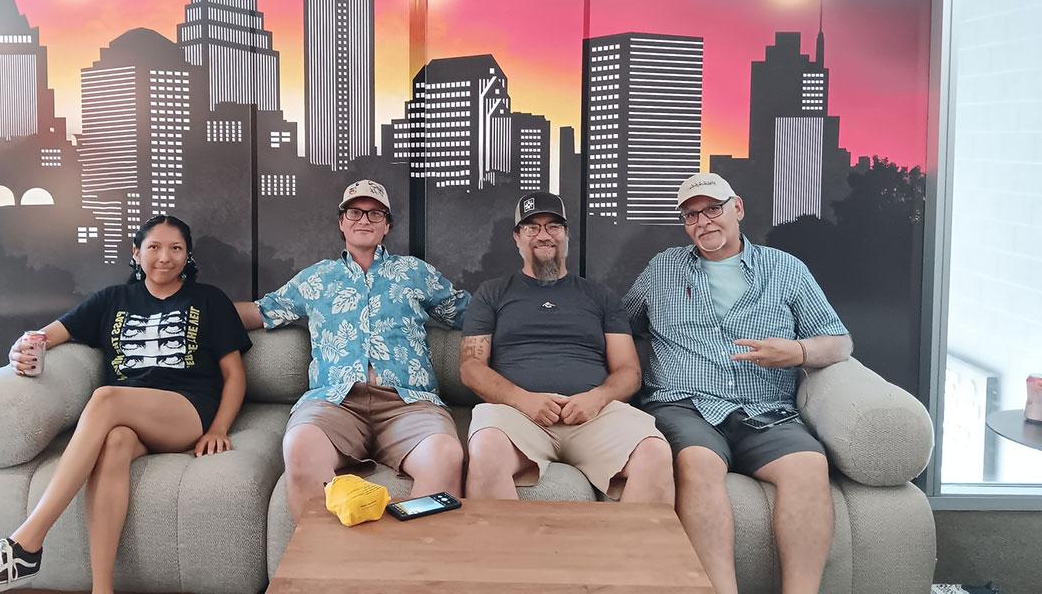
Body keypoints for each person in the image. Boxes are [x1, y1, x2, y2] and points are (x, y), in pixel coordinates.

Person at [0, 215, 251, 594]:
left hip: (185, 410)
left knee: (106, 398)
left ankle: (26, 543)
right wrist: (19, 348)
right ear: (136, 253)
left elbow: (234, 374)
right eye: (154, 247)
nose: (165, 257)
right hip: (126, 417)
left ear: (188, 255)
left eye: (176, 248)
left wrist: (219, 427)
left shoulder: (209, 300)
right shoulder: (111, 300)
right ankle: (101, 589)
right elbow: (46, 336)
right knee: (115, 443)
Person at [623, 173, 853, 594]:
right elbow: (620, 323)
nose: (704, 221)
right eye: (691, 215)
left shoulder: (785, 270)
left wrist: (798, 352)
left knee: (808, 465)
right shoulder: (663, 269)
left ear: (738, 208)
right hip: (685, 406)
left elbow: (840, 342)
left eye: (714, 209)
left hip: (766, 410)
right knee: (699, 463)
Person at [235, 179, 469, 522]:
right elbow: (260, 312)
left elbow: (468, 312)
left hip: (409, 404)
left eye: (375, 214)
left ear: (387, 226)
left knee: (445, 454)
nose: (364, 220)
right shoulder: (316, 279)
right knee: (299, 444)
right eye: (355, 212)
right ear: (342, 221)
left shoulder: (414, 272)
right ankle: (324, 570)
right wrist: (193, 311)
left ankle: (413, 567)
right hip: (335, 403)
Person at [459, 192, 673, 504]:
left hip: (592, 415)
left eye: (553, 226)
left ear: (566, 235)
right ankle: (503, 554)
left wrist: (596, 399)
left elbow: (629, 371)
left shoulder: (600, 296)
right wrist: (523, 400)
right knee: (486, 447)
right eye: (532, 227)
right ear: (517, 237)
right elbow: (471, 367)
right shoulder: (492, 293)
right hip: (518, 417)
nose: (543, 235)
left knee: (654, 451)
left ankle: (625, 554)